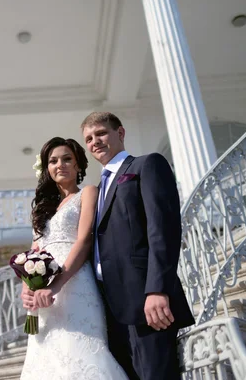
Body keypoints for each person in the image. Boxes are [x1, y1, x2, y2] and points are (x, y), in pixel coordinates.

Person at [81, 111, 194, 379]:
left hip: (146, 302)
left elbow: (162, 231)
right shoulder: (96, 191)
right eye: (88, 138)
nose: (95, 141)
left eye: (101, 133)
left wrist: (157, 289)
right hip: (109, 308)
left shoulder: (146, 165)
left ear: (120, 133)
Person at [20, 137, 128, 379]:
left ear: (78, 164)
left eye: (67, 159)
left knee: (79, 354)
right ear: (47, 169)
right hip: (41, 297)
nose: (61, 164)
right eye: (53, 161)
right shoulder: (42, 210)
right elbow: (32, 253)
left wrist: (56, 286)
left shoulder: (88, 192)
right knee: (46, 359)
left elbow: (84, 240)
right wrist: (27, 288)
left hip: (75, 285)